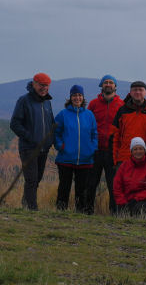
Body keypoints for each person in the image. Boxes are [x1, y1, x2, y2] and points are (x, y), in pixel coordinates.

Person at [10, 72, 55, 211]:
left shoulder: (47, 102)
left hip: (43, 148)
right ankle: (32, 208)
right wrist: (30, 137)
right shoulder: (24, 100)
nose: (44, 88)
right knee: (31, 179)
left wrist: (50, 140)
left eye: (46, 86)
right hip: (28, 147)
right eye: (41, 85)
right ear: (34, 84)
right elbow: (15, 124)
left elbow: (51, 123)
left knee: (37, 179)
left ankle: (26, 205)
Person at [54, 85, 98, 213]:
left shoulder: (89, 115)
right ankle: (60, 212)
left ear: (83, 97)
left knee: (82, 189)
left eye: (79, 95)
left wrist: (92, 149)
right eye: (74, 95)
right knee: (64, 187)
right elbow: (55, 132)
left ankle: (81, 214)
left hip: (85, 159)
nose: (77, 98)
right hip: (65, 158)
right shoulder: (63, 114)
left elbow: (94, 134)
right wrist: (60, 146)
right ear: (70, 97)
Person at [86, 75, 124, 214]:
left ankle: (114, 213)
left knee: (113, 185)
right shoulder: (93, 104)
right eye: (106, 82)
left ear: (115, 86)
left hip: (113, 152)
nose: (108, 84)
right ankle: (87, 211)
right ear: (101, 85)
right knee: (90, 183)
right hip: (95, 150)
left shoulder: (121, 104)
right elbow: (87, 125)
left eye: (111, 82)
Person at [113, 137, 146, 218]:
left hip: (143, 202)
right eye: (135, 149)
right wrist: (122, 202)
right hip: (125, 202)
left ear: (145, 150)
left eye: (140, 149)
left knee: (141, 208)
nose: (138, 151)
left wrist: (137, 199)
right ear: (131, 151)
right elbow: (117, 187)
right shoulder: (124, 166)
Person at [112, 81, 146, 166]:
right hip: (124, 158)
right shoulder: (122, 111)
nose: (138, 92)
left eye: (140, 90)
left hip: (145, 159)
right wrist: (115, 158)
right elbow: (115, 136)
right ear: (130, 92)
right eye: (135, 90)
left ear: (145, 92)